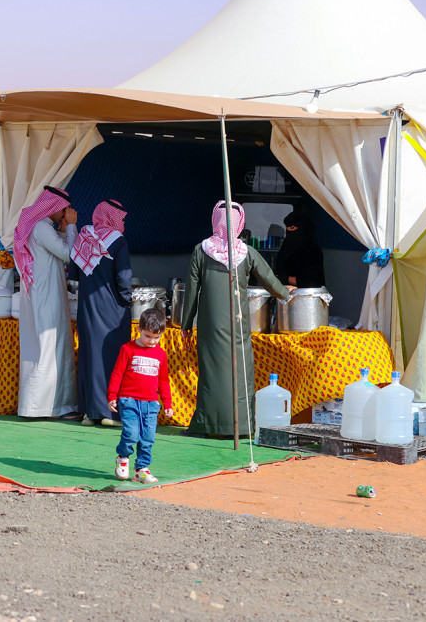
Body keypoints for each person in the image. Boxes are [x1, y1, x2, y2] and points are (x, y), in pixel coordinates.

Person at [179, 201, 290, 437]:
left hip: (209, 326)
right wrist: (287, 293)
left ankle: (206, 424)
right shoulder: (246, 252)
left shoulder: (201, 250)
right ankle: (241, 425)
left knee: (211, 373)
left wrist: (186, 324)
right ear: (239, 224)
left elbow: (191, 291)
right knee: (239, 373)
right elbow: (270, 281)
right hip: (238, 325)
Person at [13, 186, 79, 418]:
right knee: (50, 347)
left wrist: (63, 229)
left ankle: (48, 405)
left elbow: (53, 249)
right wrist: (71, 227)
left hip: (41, 294)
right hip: (47, 296)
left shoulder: (40, 227)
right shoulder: (41, 227)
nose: (65, 214)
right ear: (52, 206)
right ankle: (50, 407)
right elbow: (68, 254)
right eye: (63, 210)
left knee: (44, 347)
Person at [69, 199, 133, 426]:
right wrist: (127, 301)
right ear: (112, 217)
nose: (123, 223)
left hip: (87, 307)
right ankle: (109, 413)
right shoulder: (118, 241)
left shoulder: (84, 235)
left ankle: (89, 413)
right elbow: (123, 277)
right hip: (112, 310)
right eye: (121, 218)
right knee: (111, 358)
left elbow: (73, 274)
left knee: (89, 356)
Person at [107, 308, 172, 484]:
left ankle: (141, 469)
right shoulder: (127, 349)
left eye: (157, 338)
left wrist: (167, 404)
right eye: (148, 336)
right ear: (139, 330)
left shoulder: (161, 354)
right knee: (131, 433)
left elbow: (164, 381)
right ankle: (123, 457)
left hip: (151, 403)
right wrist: (112, 395)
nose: (152, 341)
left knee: (148, 437)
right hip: (128, 400)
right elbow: (117, 373)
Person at [274, 210, 325, 288]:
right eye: (287, 228)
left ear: (303, 228)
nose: (289, 231)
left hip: (305, 296)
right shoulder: (286, 247)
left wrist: (285, 279)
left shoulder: (312, 250)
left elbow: (312, 281)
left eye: (292, 228)